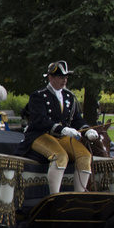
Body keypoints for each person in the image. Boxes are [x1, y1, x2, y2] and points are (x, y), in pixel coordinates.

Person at [17, 61, 98, 194]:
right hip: (40, 135)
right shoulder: (38, 96)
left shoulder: (69, 96)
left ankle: (80, 194)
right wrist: (61, 129)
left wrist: (87, 129)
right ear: (51, 77)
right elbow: (39, 120)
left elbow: (76, 118)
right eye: (61, 77)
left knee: (85, 156)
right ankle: (55, 195)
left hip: (62, 137)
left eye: (66, 77)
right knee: (60, 156)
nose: (64, 80)